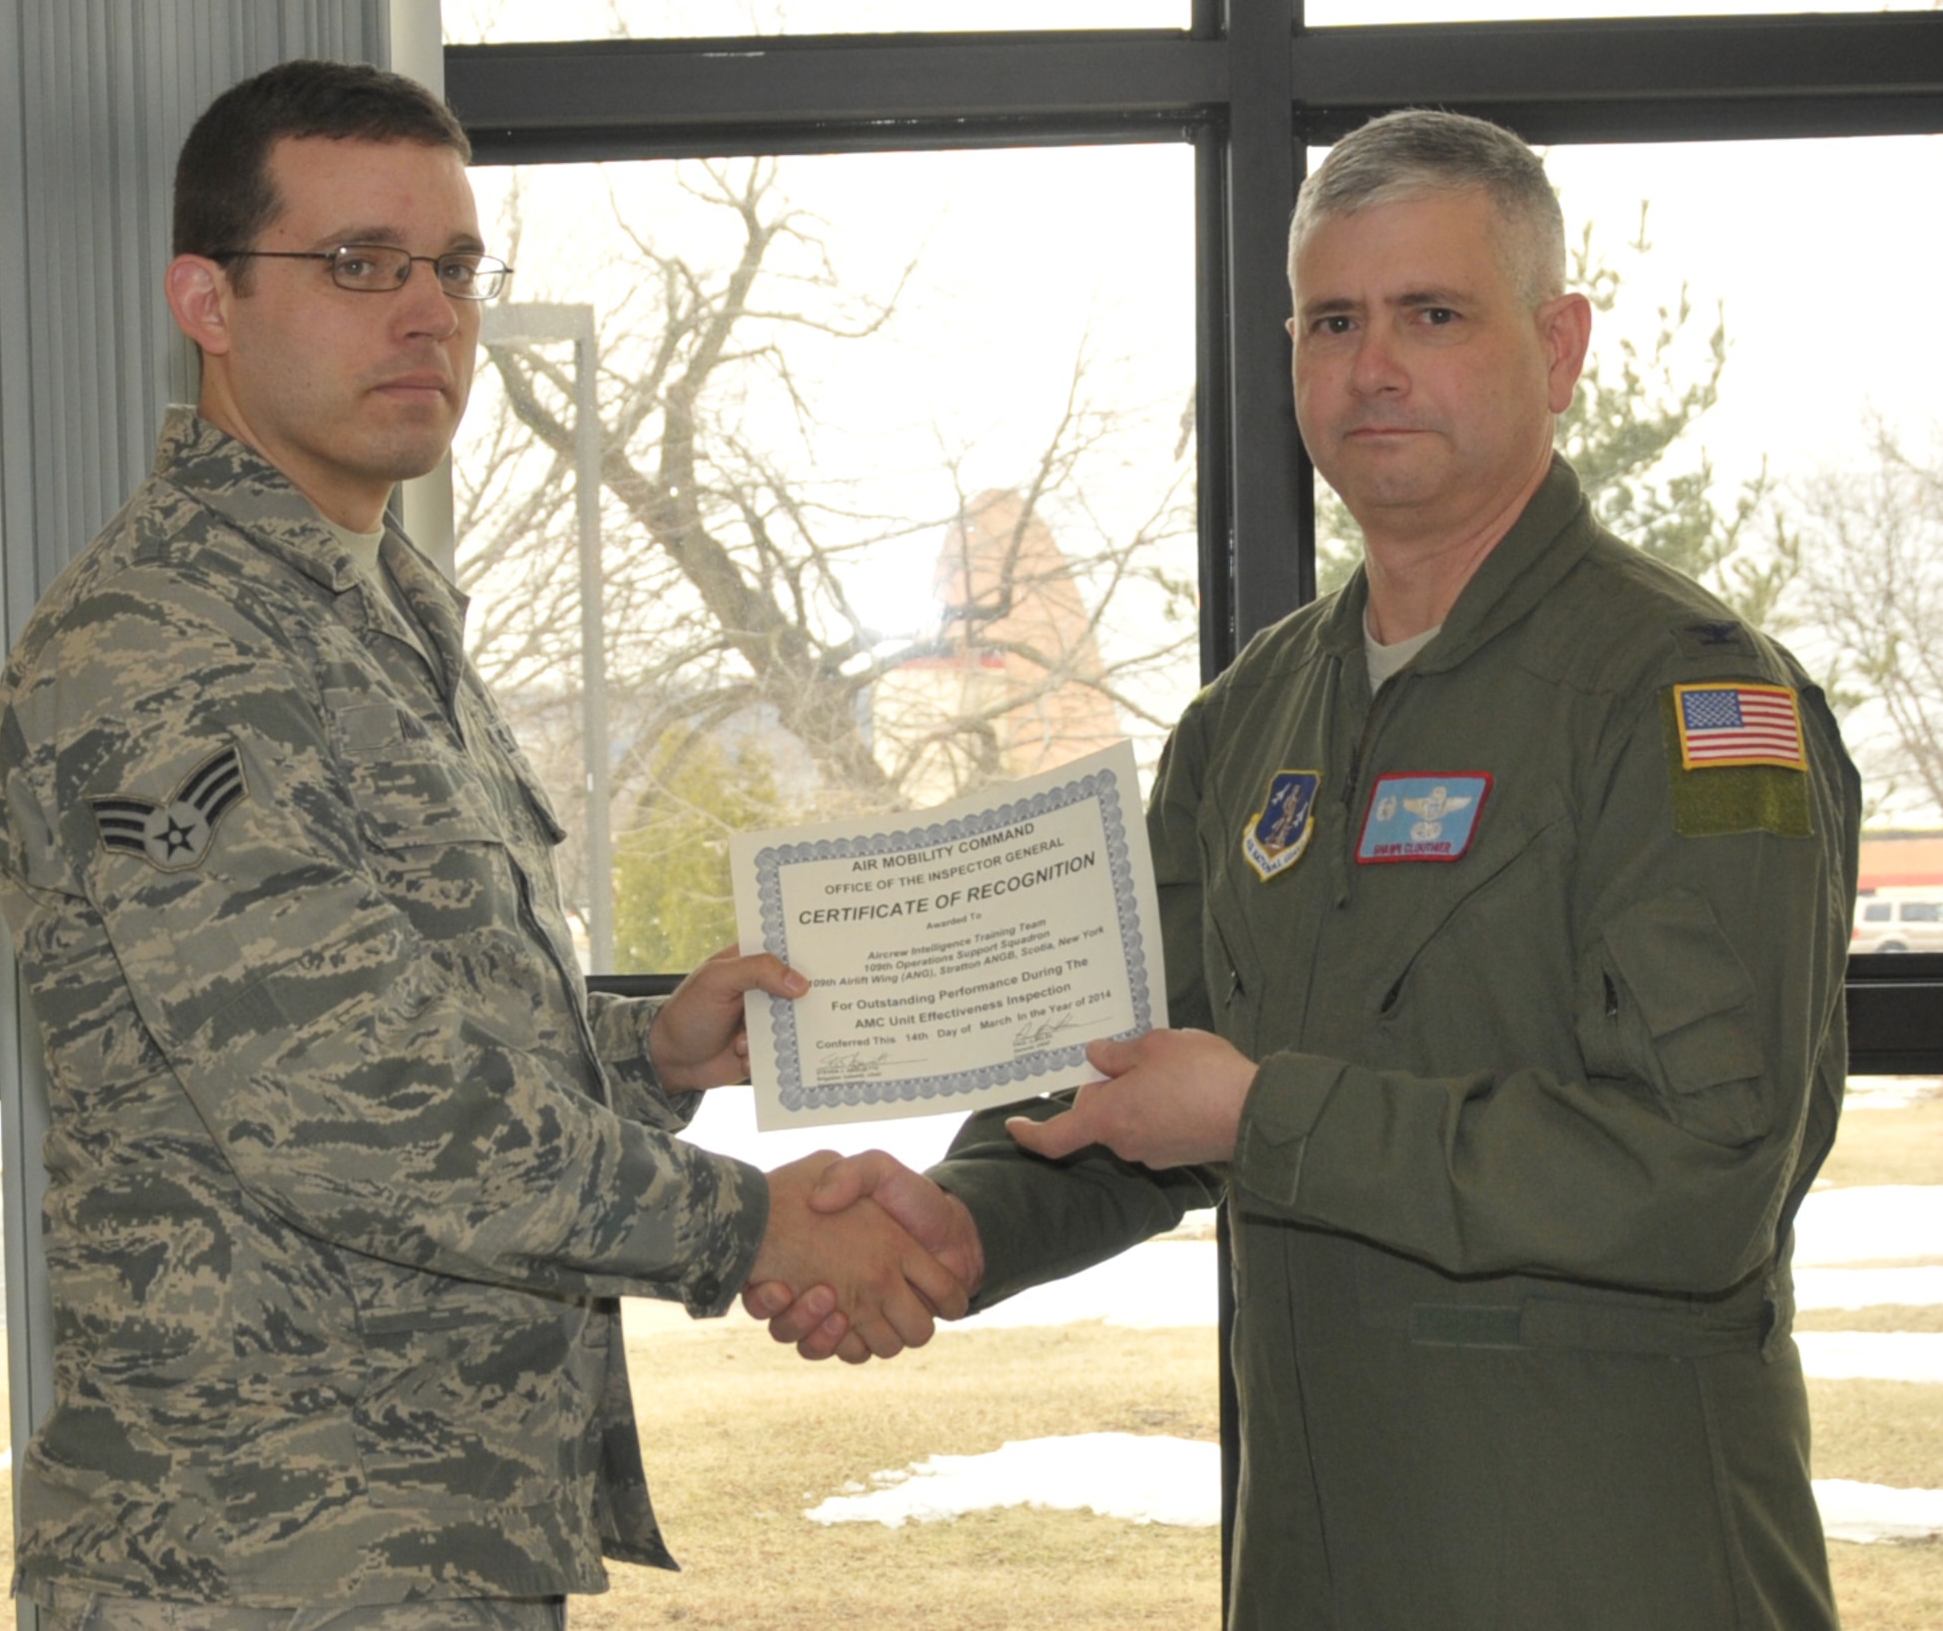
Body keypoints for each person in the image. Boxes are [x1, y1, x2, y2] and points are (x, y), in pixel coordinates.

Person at [753, 109, 1861, 1630]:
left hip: (1614, 1558)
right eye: (1333, 320)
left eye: (1433, 315)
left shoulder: (1692, 706)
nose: (1373, 367)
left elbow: (1703, 1179)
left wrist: (1269, 1113)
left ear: (1561, 344)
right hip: (1316, 1562)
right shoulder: (1251, 718)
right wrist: (970, 1218)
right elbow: (1131, 1065)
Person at [0, 59, 966, 1630]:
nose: (428, 313)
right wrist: (759, 1224)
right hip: (247, 1563)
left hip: (424, 1538)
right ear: (207, 303)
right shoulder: (158, 646)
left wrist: (647, 1047)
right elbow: (349, 1103)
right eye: (359, 264)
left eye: (455, 268)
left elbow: (415, 1010)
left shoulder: (371, 609)